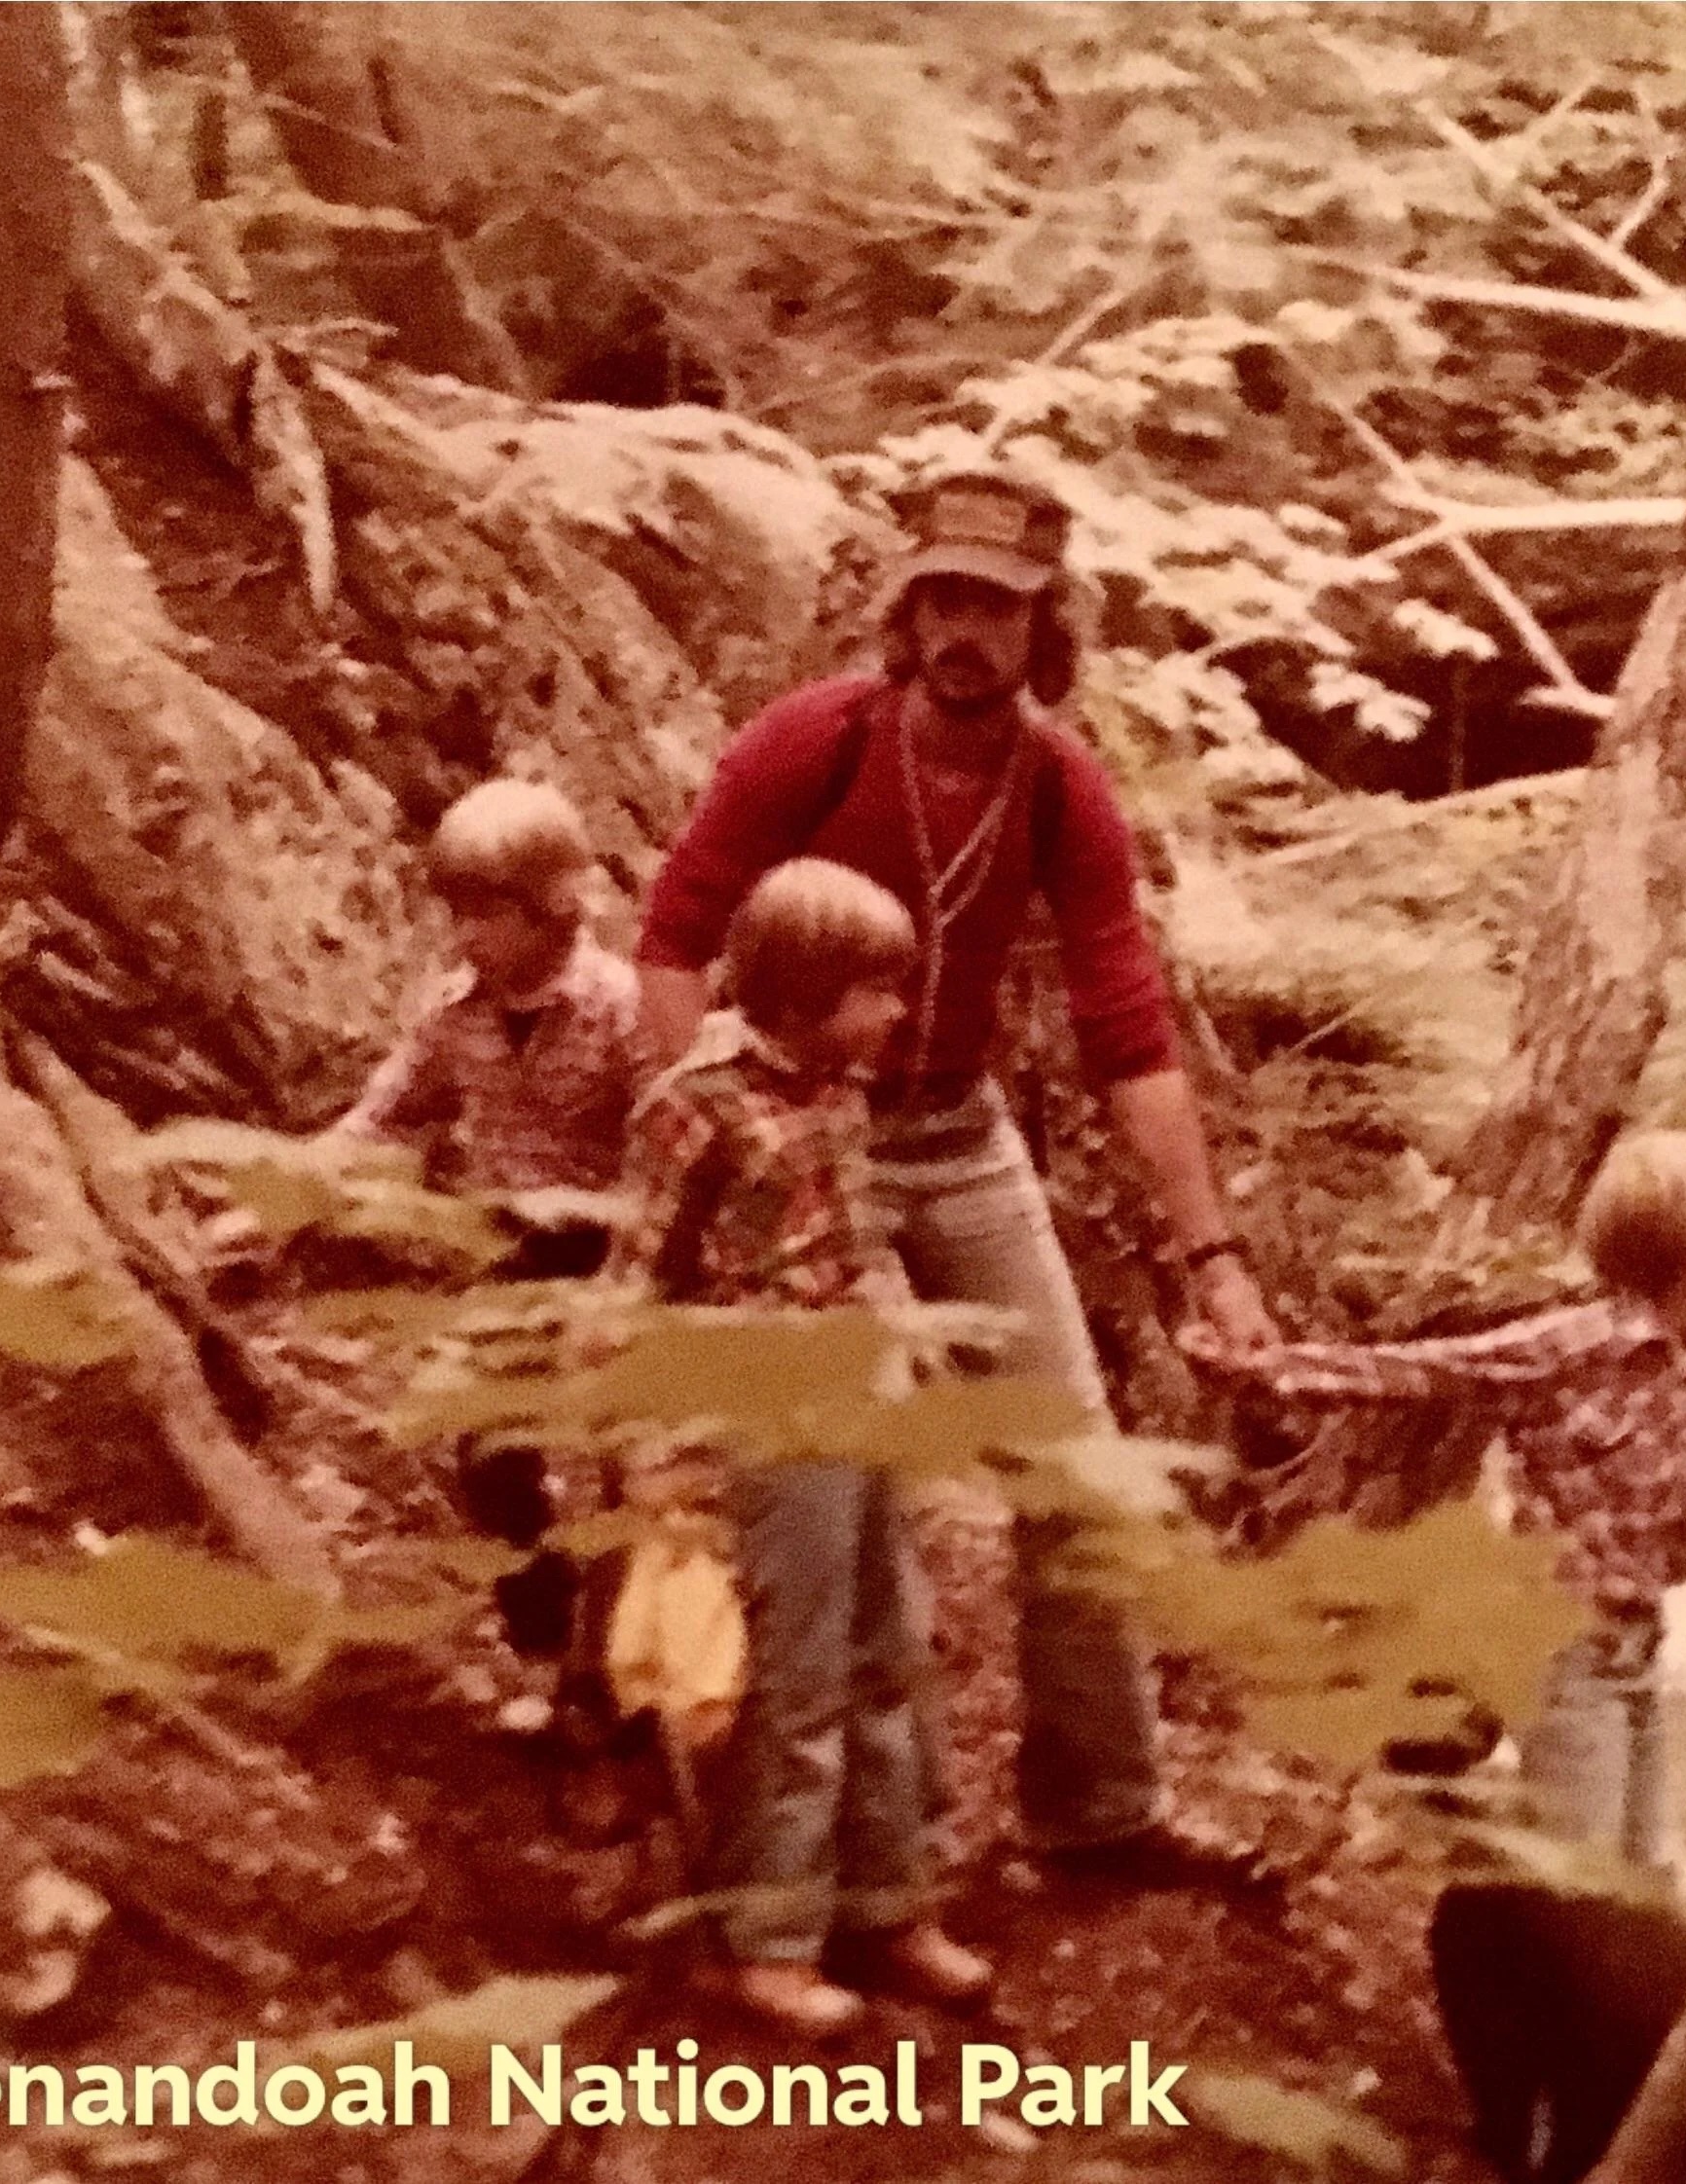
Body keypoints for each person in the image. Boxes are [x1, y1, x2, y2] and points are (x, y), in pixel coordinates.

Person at [636, 469, 1276, 1886]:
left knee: (1079, 1468)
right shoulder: (813, 745)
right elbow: (673, 937)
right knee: (859, 1504)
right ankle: (879, 1867)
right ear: (906, 609)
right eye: (943, 599)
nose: (964, 632)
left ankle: (1099, 1810)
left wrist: (1211, 1255)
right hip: (810, 1142)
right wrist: (730, 1127)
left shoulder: (1062, 788)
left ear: (1046, 630)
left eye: (997, 607)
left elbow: (1129, 1031)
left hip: (961, 1135)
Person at [618, 858, 990, 2036]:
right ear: (800, 991)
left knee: (894, 1646)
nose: (896, 1015)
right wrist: (644, 1444)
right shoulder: (696, 1102)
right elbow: (634, 1282)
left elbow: (856, 1241)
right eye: (874, 992)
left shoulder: (840, 1088)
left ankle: (889, 1903)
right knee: (800, 1671)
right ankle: (766, 1936)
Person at [1181, 1131, 1686, 1867]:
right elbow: (1422, 1372)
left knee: (1644, 1872)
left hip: (1639, 1639)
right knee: (1584, 1881)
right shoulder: (1574, 1343)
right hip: (1564, 1646)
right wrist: (1267, 1369)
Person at [334, 777, 646, 1197]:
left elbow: (667, 1145)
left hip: (596, 1244)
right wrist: (279, 1195)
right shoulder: (456, 1012)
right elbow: (376, 1121)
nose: (467, 934)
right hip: (488, 1239)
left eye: (487, 914)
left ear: (552, 905)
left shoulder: (618, 1006)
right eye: (458, 913)